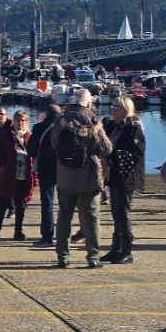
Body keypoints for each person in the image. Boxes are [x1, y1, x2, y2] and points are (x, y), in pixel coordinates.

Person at [50, 89, 113, 268]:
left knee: (64, 217)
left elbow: (53, 144)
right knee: (92, 218)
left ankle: (63, 256)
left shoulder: (61, 120)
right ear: (89, 103)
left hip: (65, 176)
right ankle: (93, 256)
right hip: (89, 178)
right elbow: (107, 148)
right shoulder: (92, 120)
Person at [100, 96, 145, 263]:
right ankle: (116, 248)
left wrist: (114, 155)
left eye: (117, 107)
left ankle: (127, 251)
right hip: (113, 173)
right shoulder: (113, 126)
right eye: (113, 106)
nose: (113, 109)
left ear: (126, 109)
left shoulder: (133, 127)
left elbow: (137, 152)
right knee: (115, 212)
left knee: (123, 212)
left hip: (127, 175)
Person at [0, 110, 34, 242]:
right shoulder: (6, 135)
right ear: (13, 121)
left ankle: (18, 231)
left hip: (24, 176)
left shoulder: (30, 137)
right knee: (2, 204)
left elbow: (35, 155)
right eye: (18, 120)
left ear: (27, 122)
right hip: (7, 175)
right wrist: (2, 162)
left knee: (20, 205)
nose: (20, 123)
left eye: (23, 120)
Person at [27, 104, 61, 246]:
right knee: (65, 204)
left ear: (46, 114)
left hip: (45, 168)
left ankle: (47, 236)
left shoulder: (39, 127)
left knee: (47, 203)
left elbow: (31, 150)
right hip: (63, 169)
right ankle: (63, 236)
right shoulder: (65, 127)